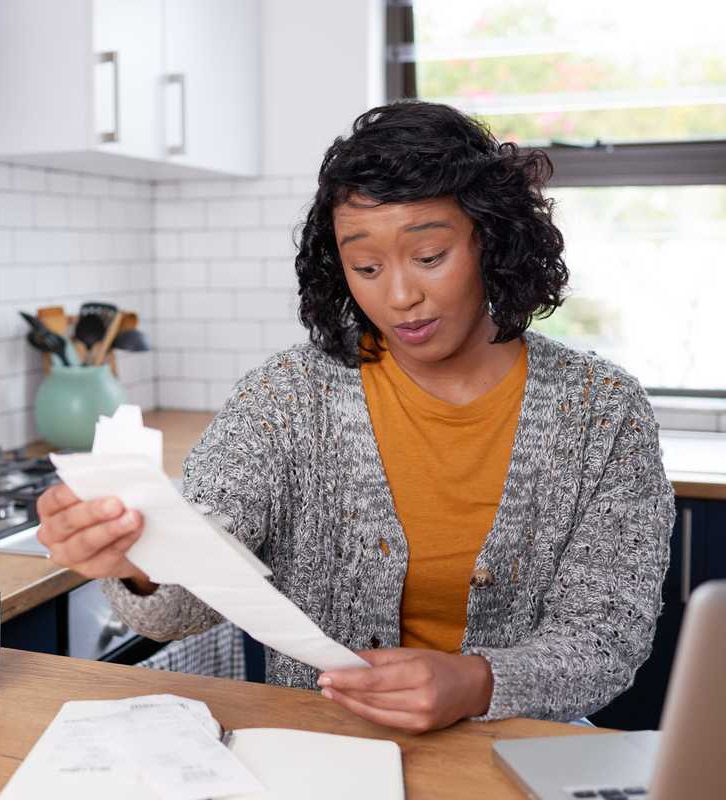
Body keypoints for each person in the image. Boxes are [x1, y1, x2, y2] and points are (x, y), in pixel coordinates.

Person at [36, 101, 675, 733]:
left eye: (429, 258)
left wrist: (477, 683)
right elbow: (182, 604)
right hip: (321, 748)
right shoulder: (287, 398)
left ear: (494, 241)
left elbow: (606, 640)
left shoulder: (601, 408)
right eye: (365, 267)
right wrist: (135, 558)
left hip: (517, 749)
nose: (399, 296)